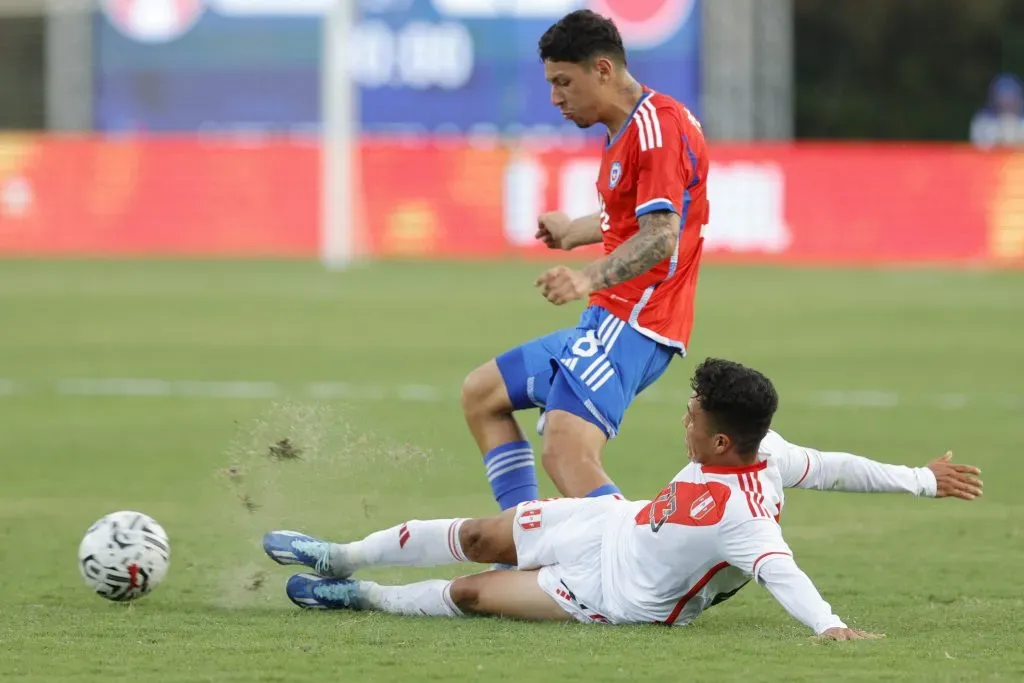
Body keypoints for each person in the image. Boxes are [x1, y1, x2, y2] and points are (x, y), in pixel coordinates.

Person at [262, 359, 982, 640]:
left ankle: (361, 597)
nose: (685, 418)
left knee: (476, 593)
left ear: (724, 443)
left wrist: (830, 627)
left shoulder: (744, 514)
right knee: (484, 533)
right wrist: (920, 478)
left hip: (613, 592)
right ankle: (341, 553)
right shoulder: (767, 451)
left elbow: (779, 569)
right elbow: (832, 465)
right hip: (611, 520)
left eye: (694, 414)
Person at [460, 9, 711, 518]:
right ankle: (523, 542)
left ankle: (637, 563)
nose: (555, 97)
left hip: (638, 321)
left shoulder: (656, 129)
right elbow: (628, 216)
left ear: (602, 69)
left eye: (563, 82)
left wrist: (585, 277)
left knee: (566, 451)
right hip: (610, 316)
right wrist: (571, 233)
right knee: (482, 394)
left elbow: (661, 236)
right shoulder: (627, 128)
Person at [970, 73, 1024, 150]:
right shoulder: (983, 121)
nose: (1007, 103)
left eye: (1011, 99)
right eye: (1003, 99)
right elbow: (979, 147)